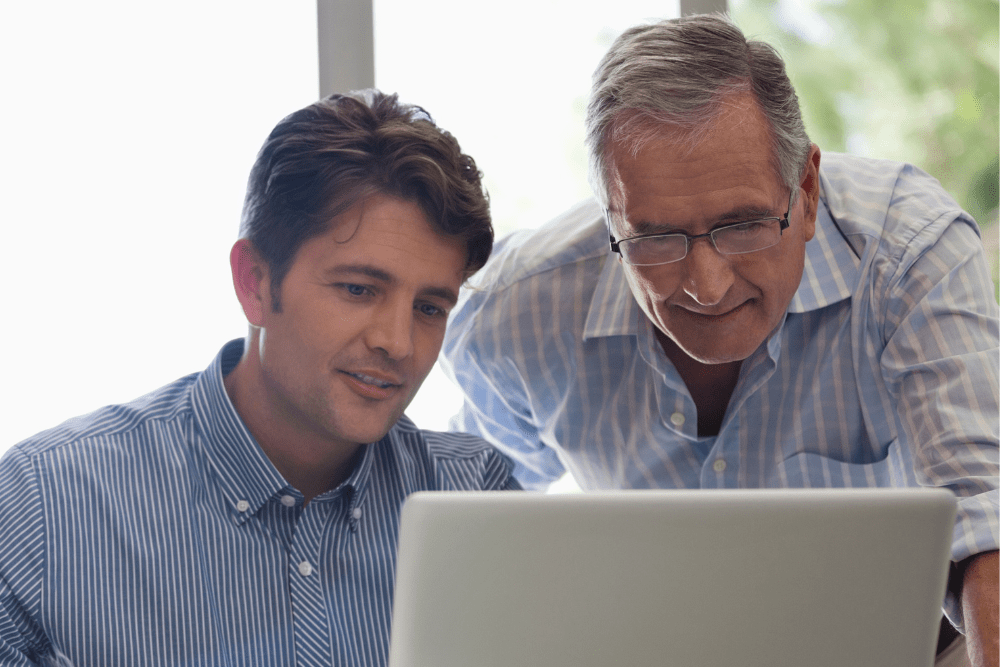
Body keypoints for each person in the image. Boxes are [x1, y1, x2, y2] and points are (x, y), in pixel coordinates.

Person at [442, 14, 998, 666]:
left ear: (807, 191)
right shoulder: (517, 314)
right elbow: (470, 537)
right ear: (609, 219)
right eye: (656, 238)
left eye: (743, 225)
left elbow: (985, 515)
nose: (706, 287)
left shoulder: (906, 253)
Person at [0, 90, 519, 667]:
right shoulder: (41, 503)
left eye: (429, 307)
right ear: (254, 282)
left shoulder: (476, 495)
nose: (397, 343)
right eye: (358, 289)